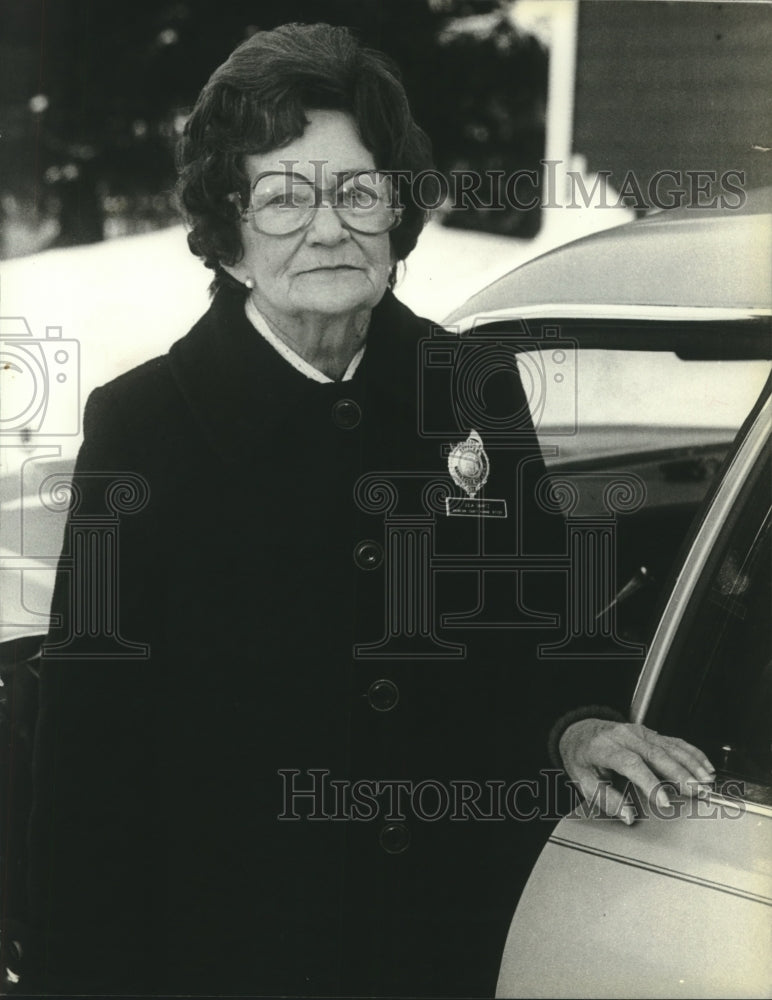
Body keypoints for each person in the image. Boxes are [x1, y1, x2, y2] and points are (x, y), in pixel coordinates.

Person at [26, 22, 715, 998]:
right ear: (227, 232)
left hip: (447, 941)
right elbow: (88, 768)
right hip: (228, 953)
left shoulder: (468, 386)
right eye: (281, 196)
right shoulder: (143, 428)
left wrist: (576, 723)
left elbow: (551, 631)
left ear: (398, 209)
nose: (327, 225)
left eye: (357, 189)